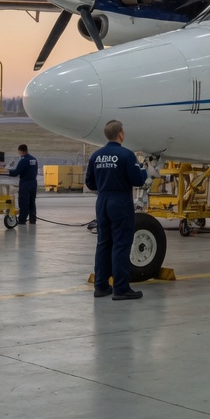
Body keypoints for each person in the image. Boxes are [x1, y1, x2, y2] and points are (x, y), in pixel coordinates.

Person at [85, 120, 148, 300]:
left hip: (102, 200)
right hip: (120, 201)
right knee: (121, 243)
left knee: (103, 243)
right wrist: (145, 171)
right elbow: (137, 179)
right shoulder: (126, 155)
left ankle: (101, 286)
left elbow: (90, 183)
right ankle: (121, 288)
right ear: (121, 134)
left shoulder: (96, 155)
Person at [7, 144, 39, 224]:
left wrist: (8, 171)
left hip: (25, 184)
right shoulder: (34, 159)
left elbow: (16, 173)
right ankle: (32, 219)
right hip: (33, 183)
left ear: (20, 151)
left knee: (23, 202)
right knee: (32, 201)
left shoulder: (24, 160)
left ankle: (22, 220)